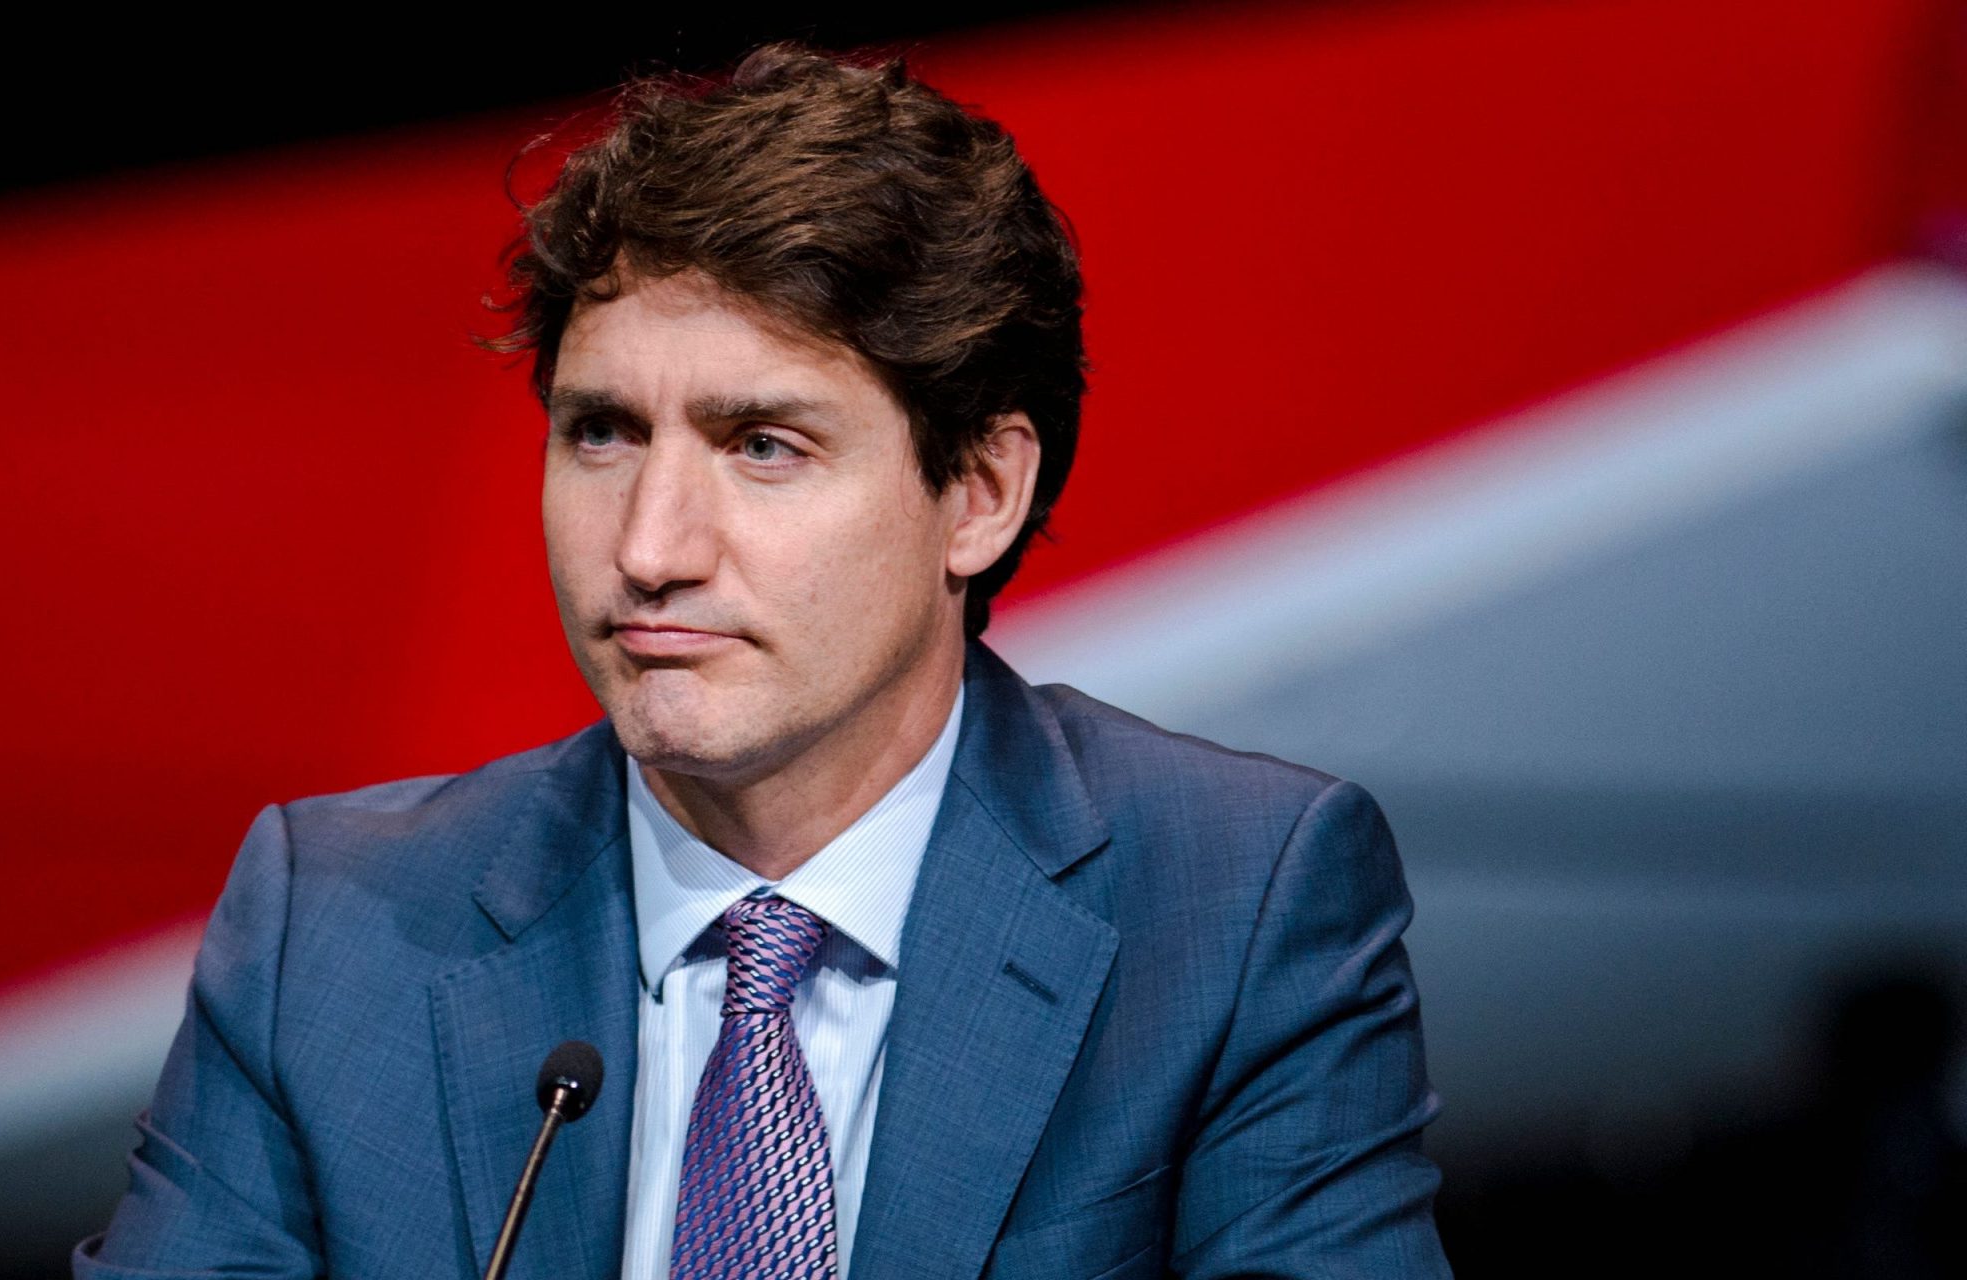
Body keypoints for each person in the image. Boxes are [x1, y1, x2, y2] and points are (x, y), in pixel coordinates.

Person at [75, 44, 1449, 1280]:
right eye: (603, 433)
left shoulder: (1236, 910)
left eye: (763, 447)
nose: (652, 547)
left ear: (977, 491)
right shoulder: (333, 927)